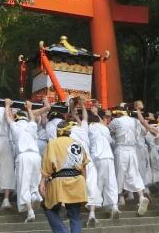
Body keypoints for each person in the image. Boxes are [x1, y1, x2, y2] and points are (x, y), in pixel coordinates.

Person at [5, 98, 50, 222]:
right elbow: (32, 118)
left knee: (23, 183)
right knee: (33, 182)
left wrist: (7, 105)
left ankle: (30, 211)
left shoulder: (15, 126)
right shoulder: (31, 125)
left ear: (17, 118)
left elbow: (8, 118)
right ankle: (35, 195)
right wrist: (29, 108)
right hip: (36, 156)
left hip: (23, 156)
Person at [40, 120, 89, 233]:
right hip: (78, 181)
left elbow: (47, 166)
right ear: (69, 132)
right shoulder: (78, 144)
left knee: (48, 208)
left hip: (59, 181)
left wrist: (42, 182)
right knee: (75, 216)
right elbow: (84, 166)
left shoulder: (53, 143)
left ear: (58, 132)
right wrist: (84, 184)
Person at [108, 108, 149, 216]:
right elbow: (145, 132)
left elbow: (109, 131)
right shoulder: (135, 121)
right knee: (134, 174)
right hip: (132, 150)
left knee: (119, 175)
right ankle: (141, 197)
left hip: (121, 150)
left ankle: (119, 200)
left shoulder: (116, 121)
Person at [69, 97, 103, 226]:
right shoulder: (83, 128)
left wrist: (73, 106)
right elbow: (83, 117)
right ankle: (92, 214)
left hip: (76, 163)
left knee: (75, 187)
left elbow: (75, 116)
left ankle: (74, 213)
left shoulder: (68, 132)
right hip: (88, 162)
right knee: (92, 186)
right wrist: (82, 106)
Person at [88, 109, 120, 219]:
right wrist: (97, 115)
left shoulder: (89, 127)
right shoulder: (104, 128)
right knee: (111, 182)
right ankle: (114, 206)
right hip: (109, 157)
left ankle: (92, 212)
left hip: (96, 158)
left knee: (96, 184)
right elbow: (110, 141)